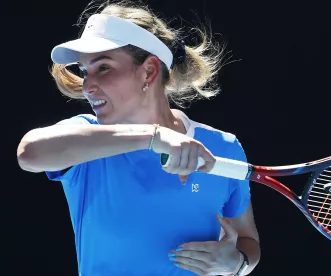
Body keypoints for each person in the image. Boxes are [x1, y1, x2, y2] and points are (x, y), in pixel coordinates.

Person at [16, 0, 261, 275]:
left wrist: (237, 264)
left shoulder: (224, 146)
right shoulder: (86, 137)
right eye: (84, 72)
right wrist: (154, 137)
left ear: (149, 71)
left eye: (103, 67)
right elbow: (29, 153)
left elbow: (248, 242)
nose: (87, 85)